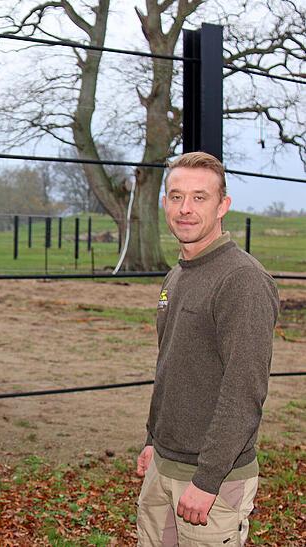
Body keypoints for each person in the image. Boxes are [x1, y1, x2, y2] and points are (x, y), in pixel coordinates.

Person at [135, 152, 279, 546]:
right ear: (164, 202)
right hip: (163, 467)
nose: (185, 209)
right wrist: (153, 441)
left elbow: (244, 389)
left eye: (200, 197)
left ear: (222, 206)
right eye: (176, 196)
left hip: (209, 482)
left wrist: (208, 478)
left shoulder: (242, 280)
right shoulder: (177, 274)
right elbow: (171, 366)